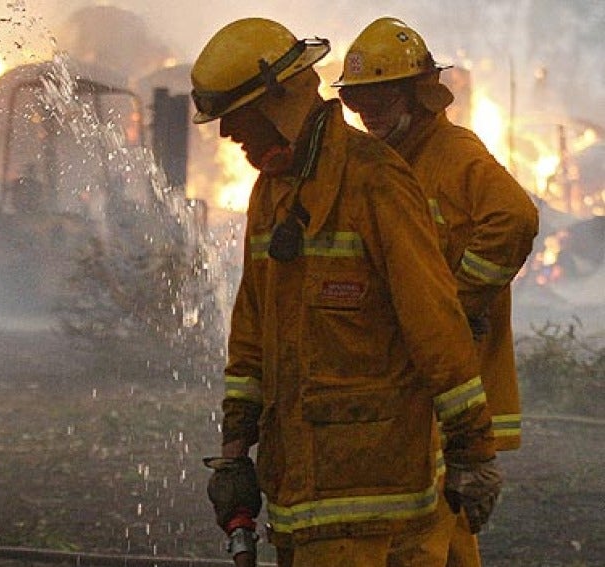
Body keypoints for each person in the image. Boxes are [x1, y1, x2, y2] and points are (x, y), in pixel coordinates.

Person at [191, 18, 502, 566]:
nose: (226, 136)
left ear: (278, 101)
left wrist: (471, 450)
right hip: (300, 496)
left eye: (235, 118)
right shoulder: (271, 192)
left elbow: (435, 324)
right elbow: (250, 332)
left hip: (376, 497)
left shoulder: (376, 180)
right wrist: (235, 450)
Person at [333, 17, 540, 566]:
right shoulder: (390, 162)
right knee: (447, 538)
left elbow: (515, 218)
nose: (369, 114)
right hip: (415, 386)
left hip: (448, 388)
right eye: (359, 103)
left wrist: (456, 303)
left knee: (418, 536)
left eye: (381, 98)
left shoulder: (452, 153)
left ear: (419, 93)